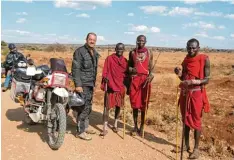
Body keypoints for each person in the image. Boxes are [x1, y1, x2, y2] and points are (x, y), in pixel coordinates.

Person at [174, 38, 210, 159]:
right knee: (185, 119)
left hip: (196, 94)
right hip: (185, 94)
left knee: (196, 120)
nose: (191, 50)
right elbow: (183, 78)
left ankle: (196, 149)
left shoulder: (204, 59)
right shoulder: (186, 60)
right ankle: (185, 145)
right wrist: (178, 73)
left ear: (198, 48)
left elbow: (207, 79)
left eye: (194, 47)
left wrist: (193, 81)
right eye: (189, 47)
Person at [71, 32, 99, 141]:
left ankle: (85, 127)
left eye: (94, 40)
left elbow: (94, 70)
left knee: (88, 107)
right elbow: (75, 69)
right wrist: (78, 85)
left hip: (90, 84)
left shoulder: (94, 52)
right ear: (86, 39)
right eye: (90, 39)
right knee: (83, 108)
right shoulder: (79, 52)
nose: (92, 41)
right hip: (83, 84)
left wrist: (94, 83)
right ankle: (80, 131)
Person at [99, 43, 128, 136]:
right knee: (107, 107)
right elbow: (105, 71)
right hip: (111, 86)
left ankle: (115, 124)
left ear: (124, 50)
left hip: (120, 87)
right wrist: (105, 77)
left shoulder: (125, 61)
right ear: (115, 49)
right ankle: (105, 127)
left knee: (118, 106)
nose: (120, 51)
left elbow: (126, 74)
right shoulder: (109, 59)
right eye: (118, 49)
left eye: (121, 49)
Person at [128, 35, 154, 136]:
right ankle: (135, 126)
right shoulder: (132, 52)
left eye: (142, 41)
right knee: (134, 104)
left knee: (143, 104)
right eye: (139, 41)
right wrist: (131, 70)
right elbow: (129, 66)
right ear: (136, 41)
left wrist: (151, 75)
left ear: (145, 41)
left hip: (145, 81)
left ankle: (142, 126)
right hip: (135, 80)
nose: (140, 42)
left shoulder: (149, 52)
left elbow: (151, 67)